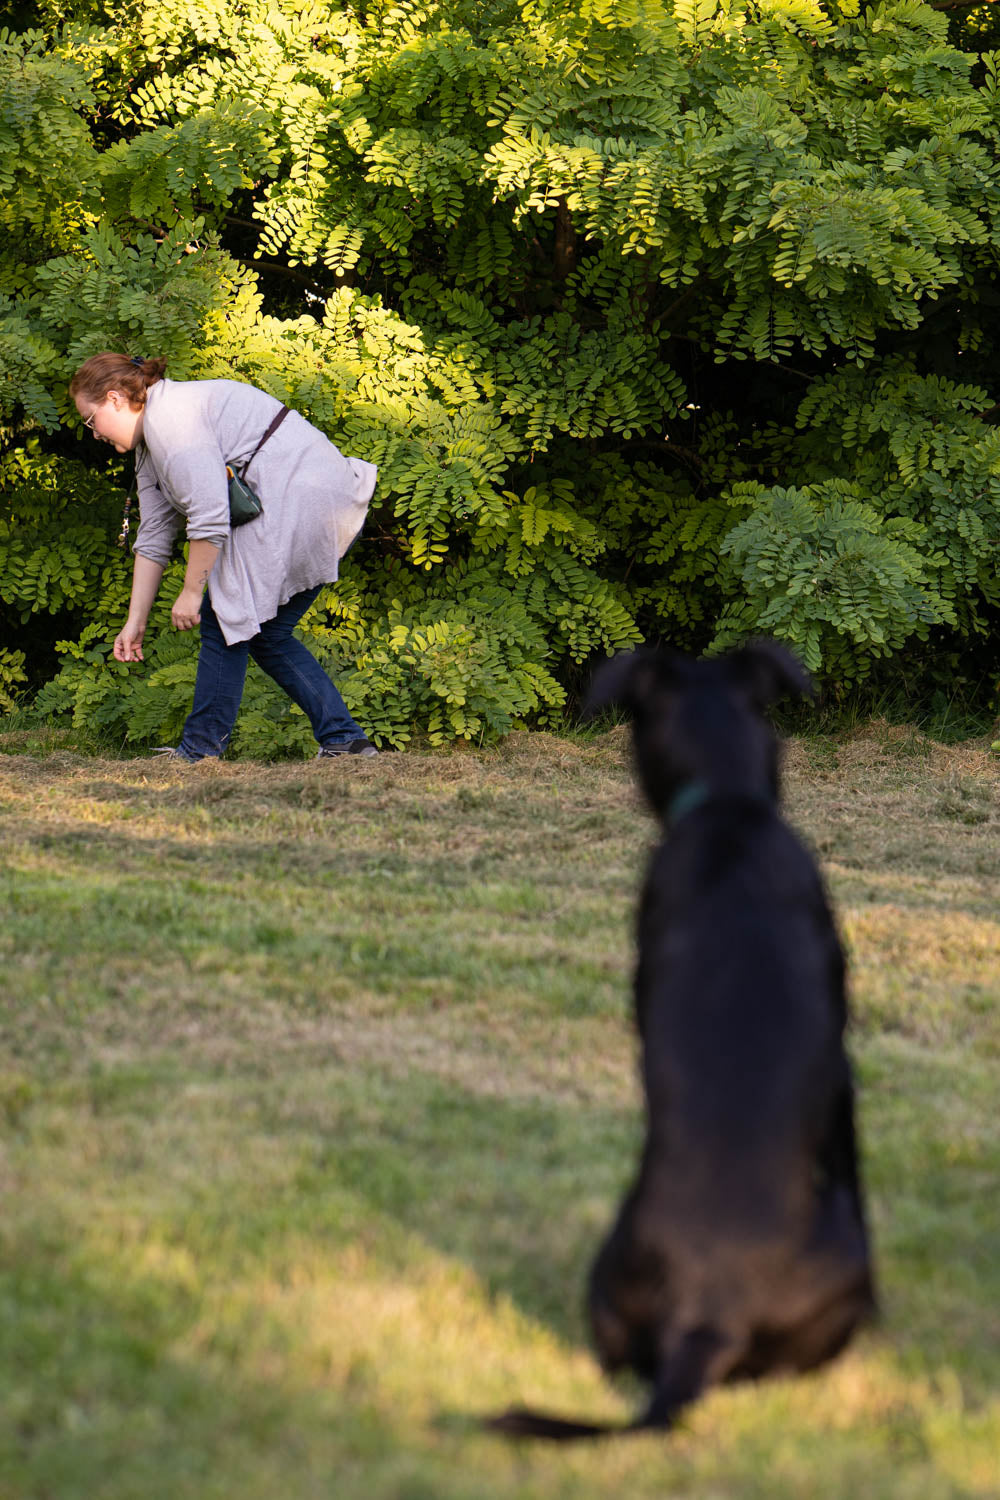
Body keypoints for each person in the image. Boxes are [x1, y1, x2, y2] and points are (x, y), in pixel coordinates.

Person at [70, 353, 379, 761]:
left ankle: (200, 753)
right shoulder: (151, 444)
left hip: (310, 503)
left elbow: (210, 518)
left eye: (91, 420)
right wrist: (135, 622)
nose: (93, 434)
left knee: (224, 615)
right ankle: (345, 740)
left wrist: (191, 592)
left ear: (114, 399)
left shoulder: (173, 425)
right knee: (266, 634)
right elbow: (156, 534)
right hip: (301, 508)